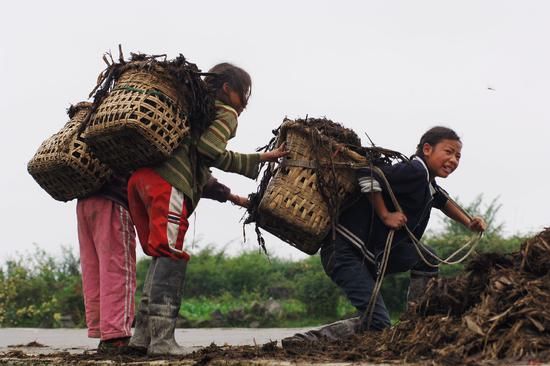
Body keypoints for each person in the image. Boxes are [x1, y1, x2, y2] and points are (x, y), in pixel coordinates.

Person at [126, 62, 287, 356]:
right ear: (227, 88)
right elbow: (209, 151)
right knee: (171, 254)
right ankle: (162, 342)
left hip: (140, 181)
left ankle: (141, 338)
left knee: (161, 254)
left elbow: (196, 163)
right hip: (166, 185)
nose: (246, 102)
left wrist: (234, 197)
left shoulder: (193, 110)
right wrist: (262, 157)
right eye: (244, 93)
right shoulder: (224, 113)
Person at [281, 126, 486, 347]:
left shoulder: (427, 182)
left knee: (426, 258)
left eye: (458, 156)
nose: (454, 160)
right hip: (346, 252)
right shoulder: (415, 171)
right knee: (378, 325)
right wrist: (385, 214)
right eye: (448, 152)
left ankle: (414, 321)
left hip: (369, 255)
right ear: (427, 149)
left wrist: (469, 222)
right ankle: (305, 341)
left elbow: (443, 201)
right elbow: (367, 173)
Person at [76, 173, 137, 354]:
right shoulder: (125, 145)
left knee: (93, 270)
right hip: (112, 201)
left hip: (84, 203)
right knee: (117, 270)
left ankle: (104, 332)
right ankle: (116, 337)